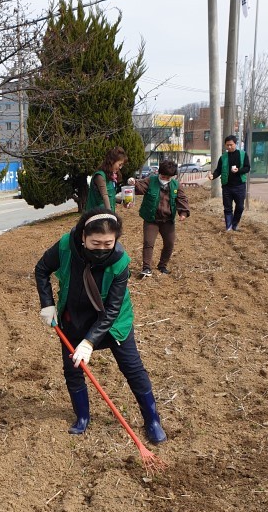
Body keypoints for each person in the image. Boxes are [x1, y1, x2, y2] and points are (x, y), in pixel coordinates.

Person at [34, 209, 167, 443]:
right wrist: (47, 304)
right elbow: (42, 269)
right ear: (83, 236)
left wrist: (90, 342)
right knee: (73, 370)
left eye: (108, 243)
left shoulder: (121, 263)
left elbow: (113, 310)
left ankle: (152, 420)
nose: (102, 249)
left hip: (113, 322)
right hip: (73, 317)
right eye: (95, 243)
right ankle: (83, 417)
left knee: (132, 368)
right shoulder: (66, 246)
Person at [127, 159, 190, 278]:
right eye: (163, 176)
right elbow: (140, 187)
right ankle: (146, 268)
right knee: (148, 242)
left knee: (169, 243)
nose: (165, 179)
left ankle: (162, 265)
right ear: (159, 173)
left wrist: (183, 213)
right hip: (151, 219)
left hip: (167, 220)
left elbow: (182, 200)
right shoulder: (151, 181)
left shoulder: (176, 185)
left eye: (168, 177)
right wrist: (133, 182)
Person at [208, 134, 250, 231]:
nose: (229, 147)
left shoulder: (243, 154)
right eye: (227, 145)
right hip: (227, 186)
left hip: (240, 186)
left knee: (240, 207)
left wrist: (238, 170)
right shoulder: (223, 158)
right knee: (227, 208)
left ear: (235, 144)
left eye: (231, 144)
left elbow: (247, 168)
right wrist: (213, 176)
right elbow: (218, 170)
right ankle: (229, 227)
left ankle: (234, 224)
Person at [85, 147, 128, 213]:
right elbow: (105, 196)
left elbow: (110, 196)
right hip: (96, 216)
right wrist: (110, 216)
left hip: (105, 214)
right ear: (112, 161)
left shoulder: (110, 177)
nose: (120, 167)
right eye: (120, 164)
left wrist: (123, 201)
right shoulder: (100, 176)